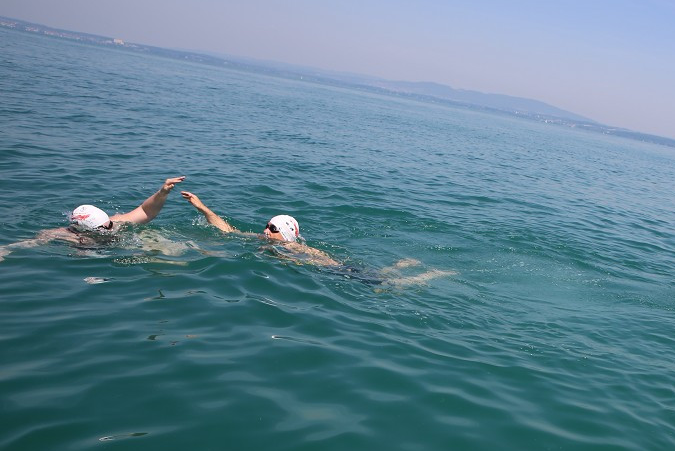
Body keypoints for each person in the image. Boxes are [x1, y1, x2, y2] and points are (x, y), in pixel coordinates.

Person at [181, 190, 454, 285]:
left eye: (272, 229)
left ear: (286, 235)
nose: (266, 231)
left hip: (339, 272)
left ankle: (429, 274)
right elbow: (227, 231)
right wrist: (202, 207)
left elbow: (323, 264)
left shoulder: (300, 251)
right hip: (335, 269)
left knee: (385, 286)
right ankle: (403, 264)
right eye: (267, 226)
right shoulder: (262, 241)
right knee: (383, 277)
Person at [0, 176, 187, 262]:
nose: (111, 227)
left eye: (109, 223)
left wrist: (162, 192)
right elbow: (32, 243)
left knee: (174, 253)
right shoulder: (67, 236)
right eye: (105, 227)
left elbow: (146, 211)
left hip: (118, 250)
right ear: (85, 228)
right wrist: (6, 249)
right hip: (90, 254)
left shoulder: (116, 223)